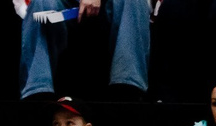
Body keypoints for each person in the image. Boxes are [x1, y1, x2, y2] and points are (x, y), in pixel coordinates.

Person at [20, 0, 149, 102]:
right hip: (65, 5)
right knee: (41, 2)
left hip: (111, 6)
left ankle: (127, 87)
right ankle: (38, 89)